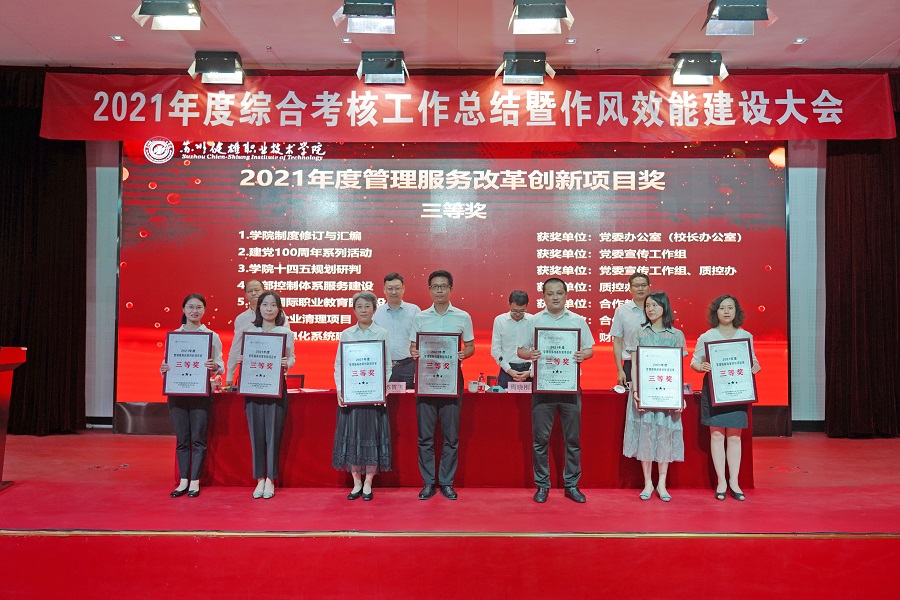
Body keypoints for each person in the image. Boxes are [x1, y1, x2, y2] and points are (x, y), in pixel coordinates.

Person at [518, 278, 595, 504]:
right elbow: (521, 350)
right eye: (550, 293)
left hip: (570, 387)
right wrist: (530, 354)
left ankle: (572, 485)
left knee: (573, 440)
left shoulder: (578, 320)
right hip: (543, 388)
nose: (555, 297)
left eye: (559, 293)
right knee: (540, 440)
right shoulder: (534, 321)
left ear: (566, 295)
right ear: (543, 296)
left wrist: (583, 355)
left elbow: (589, 349)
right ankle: (542, 485)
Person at [409, 270, 475, 501]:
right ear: (429, 290)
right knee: (425, 436)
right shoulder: (420, 318)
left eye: (443, 286)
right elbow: (413, 347)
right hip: (426, 381)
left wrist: (464, 353)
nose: (439, 290)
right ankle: (428, 482)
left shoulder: (462, 317)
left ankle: (446, 483)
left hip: (451, 381)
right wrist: (414, 352)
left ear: (450, 289)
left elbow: (471, 346)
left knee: (451, 436)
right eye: (435, 287)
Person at [690, 294, 761, 501]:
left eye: (730, 307)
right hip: (715, 390)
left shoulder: (745, 335)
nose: (726, 311)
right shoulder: (707, 336)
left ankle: (734, 482)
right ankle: (721, 481)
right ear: (716, 312)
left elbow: (753, 360)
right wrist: (700, 366)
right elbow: (694, 361)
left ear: (736, 312)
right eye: (722, 308)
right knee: (716, 436)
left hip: (737, 391)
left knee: (735, 437)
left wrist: (756, 366)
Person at [622, 291, 687, 502]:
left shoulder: (676, 335)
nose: (650, 309)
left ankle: (662, 483)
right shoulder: (638, 332)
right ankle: (648, 483)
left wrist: (679, 395)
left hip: (667, 394)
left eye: (655, 305)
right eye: (647, 306)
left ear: (664, 308)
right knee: (646, 436)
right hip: (644, 393)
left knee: (664, 436)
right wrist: (636, 391)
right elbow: (635, 365)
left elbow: (677, 368)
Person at [159, 293, 224, 498]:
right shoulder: (175, 336)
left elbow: (220, 365)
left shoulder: (211, 336)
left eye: (198, 307)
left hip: (200, 393)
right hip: (177, 393)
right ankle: (183, 481)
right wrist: (164, 368)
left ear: (204, 310)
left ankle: (195, 481)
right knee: (182, 439)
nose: (194, 311)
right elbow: (166, 363)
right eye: (190, 307)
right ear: (184, 310)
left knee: (198, 438)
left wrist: (215, 366)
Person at [333, 291, 393, 501]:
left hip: (373, 397)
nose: (363, 310)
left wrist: (381, 389)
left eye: (367, 306)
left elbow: (387, 366)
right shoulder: (347, 334)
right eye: (359, 306)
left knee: (371, 437)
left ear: (374, 309)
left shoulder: (382, 333)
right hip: (352, 396)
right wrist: (340, 389)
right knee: (353, 438)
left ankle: (368, 482)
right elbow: (339, 364)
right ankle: (356, 482)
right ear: (354, 310)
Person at [239, 291, 296, 499]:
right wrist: (243, 359)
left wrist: (287, 363)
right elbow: (241, 356)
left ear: (279, 309)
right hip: (253, 387)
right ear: (259, 308)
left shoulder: (285, 332)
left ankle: (270, 479)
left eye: (273, 305)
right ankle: (259, 479)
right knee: (256, 434)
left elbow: (292, 358)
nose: (269, 309)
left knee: (273, 434)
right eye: (265, 305)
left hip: (276, 387)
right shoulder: (250, 331)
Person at [373, 272, 420, 388]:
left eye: (397, 288)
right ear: (384, 290)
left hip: (409, 367)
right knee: (385, 398)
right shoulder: (376, 313)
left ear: (403, 289)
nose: (393, 292)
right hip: (384, 367)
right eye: (390, 289)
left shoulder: (414, 311)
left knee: (409, 398)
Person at [610, 272, 651, 387]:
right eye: (636, 286)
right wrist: (620, 370)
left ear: (649, 287)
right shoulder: (622, 311)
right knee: (630, 396)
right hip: (630, 363)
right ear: (630, 289)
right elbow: (617, 342)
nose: (640, 288)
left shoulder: (658, 308)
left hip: (654, 361)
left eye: (643, 285)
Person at [226, 279, 264, 389]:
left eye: (257, 290)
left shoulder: (278, 315)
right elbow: (236, 347)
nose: (254, 293)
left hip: (272, 368)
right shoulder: (241, 319)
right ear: (246, 295)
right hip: (249, 369)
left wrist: (284, 371)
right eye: (250, 291)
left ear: (263, 292)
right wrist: (230, 376)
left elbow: (286, 344)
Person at [490, 290, 532, 389]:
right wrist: (509, 370)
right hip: (507, 370)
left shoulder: (533, 320)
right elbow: (496, 350)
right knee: (505, 398)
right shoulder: (500, 321)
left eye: (522, 311)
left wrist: (531, 371)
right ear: (509, 304)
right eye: (514, 310)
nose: (518, 314)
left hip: (529, 370)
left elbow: (538, 350)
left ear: (527, 306)